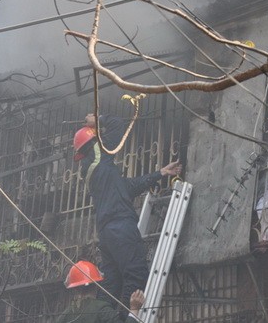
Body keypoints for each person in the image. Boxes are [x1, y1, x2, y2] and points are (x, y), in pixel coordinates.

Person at [73, 113, 182, 308]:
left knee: (112, 283)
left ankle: (103, 320)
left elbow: (128, 187)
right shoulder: (100, 157)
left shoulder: (97, 171)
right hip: (120, 226)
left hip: (107, 233)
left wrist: (161, 173)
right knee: (136, 275)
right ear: (95, 143)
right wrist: (98, 119)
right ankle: (124, 318)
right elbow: (118, 124)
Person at [56, 260, 145, 323]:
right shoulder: (102, 310)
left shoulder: (65, 315)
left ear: (74, 289)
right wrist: (134, 309)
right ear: (97, 285)